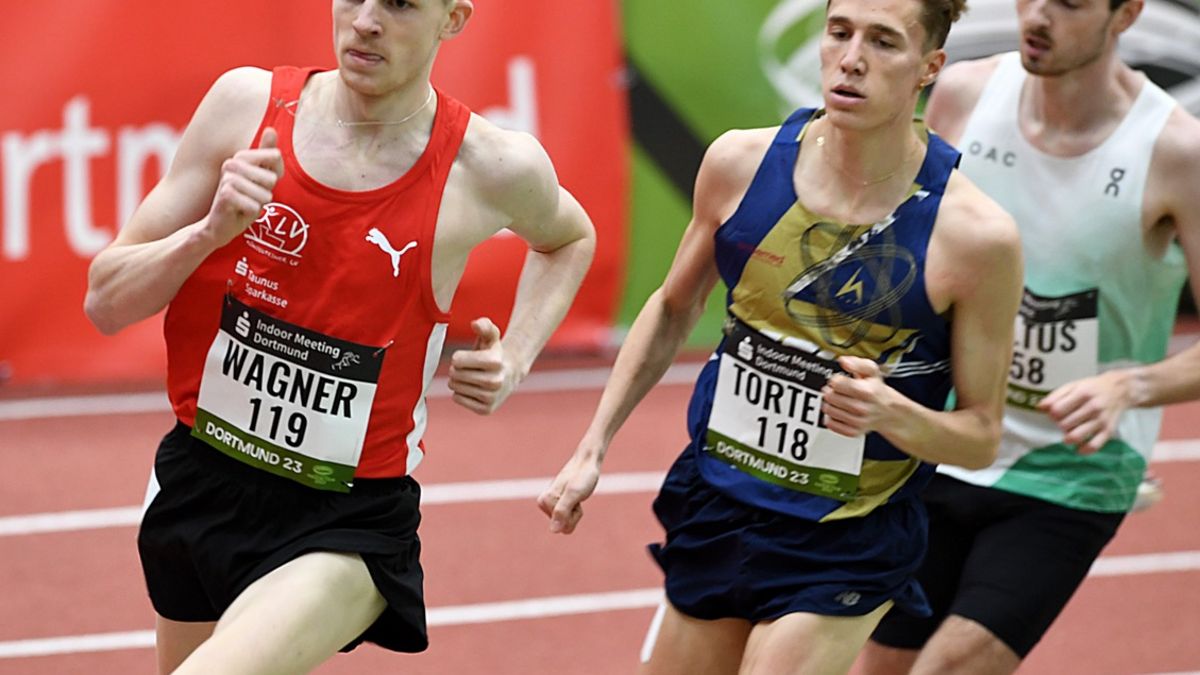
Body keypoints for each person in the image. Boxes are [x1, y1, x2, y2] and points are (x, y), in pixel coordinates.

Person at [83, 0, 596, 672]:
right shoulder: (245, 108)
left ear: (453, 20)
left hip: (345, 519)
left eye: (401, 4)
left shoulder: (489, 166)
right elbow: (105, 303)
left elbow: (569, 237)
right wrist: (207, 234)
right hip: (199, 481)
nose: (366, 20)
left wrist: (517, 356)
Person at [537, 0, 1024, 671]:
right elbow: (674, 307)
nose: (851, 58)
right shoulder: (740, 162)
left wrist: (892, 414)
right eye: (839, 32)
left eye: (883, 42)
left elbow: (981, 435)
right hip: (720, 498)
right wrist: (592, 447)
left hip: (849, 533)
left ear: (929, 67)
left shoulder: (974, 237)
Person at [857, 0, 1200, 671]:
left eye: (1069, 3)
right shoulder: (964, 96)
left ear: (1126, 14)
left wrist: (1129, 386)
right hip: (941, 438)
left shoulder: (1176, 152)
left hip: (1071, 471)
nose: (1038, 15)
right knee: (882, 666)